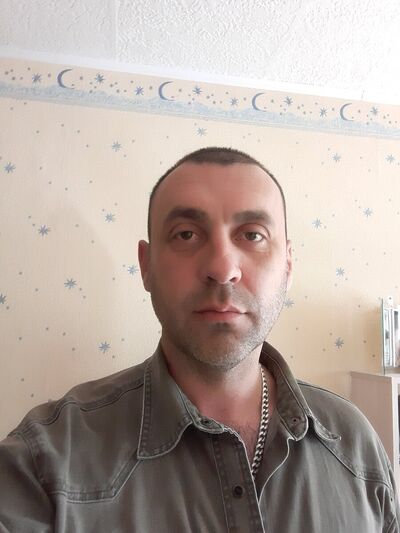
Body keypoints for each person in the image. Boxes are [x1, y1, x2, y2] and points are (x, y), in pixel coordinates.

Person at [0, 147, 398, 533]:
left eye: (253, 235)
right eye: (186, 234)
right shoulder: (43, 461)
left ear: (288, 265)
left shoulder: (356, 444)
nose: (222, 268)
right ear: (146, 266)